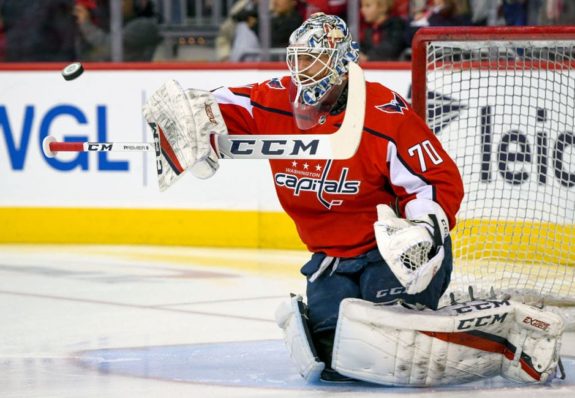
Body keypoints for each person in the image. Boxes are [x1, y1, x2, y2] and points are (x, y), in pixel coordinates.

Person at [142, 13, 564, 386]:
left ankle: (508, 340)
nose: (303, 71)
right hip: (331, 260)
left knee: (387, 345)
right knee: (336, 358)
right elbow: (216, 107)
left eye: (315, 60)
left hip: (395, 255)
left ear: (342, 63)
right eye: (298, 59)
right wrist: (185, 118)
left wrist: (421, 228)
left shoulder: (383, 114)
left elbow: (437, 181)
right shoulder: (274, 100)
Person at [74, 0, 161, 61]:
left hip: (134, 79)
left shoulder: (145, 25)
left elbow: (111, 48)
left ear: (139, 2)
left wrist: (85, 23)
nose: (117, 4)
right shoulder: (120, 23)